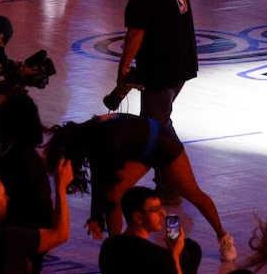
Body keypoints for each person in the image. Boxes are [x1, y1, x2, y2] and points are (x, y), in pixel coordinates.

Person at [43, 112, 232, 261]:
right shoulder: (88, 134)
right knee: (113, 196)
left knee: (193, 193)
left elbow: (101, 176)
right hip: (140, 148)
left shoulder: (103, 142)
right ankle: (116, 249)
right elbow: (100, 178)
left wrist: (96, 217)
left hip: (163, 145)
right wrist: (95, 216)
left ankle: (223, 237)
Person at [105, 0, 197, 120]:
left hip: (162, 66)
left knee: (154, 126)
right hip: (184, 59)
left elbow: (136, 32)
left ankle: (174, 151)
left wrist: (123, 67)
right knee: (159, 119)